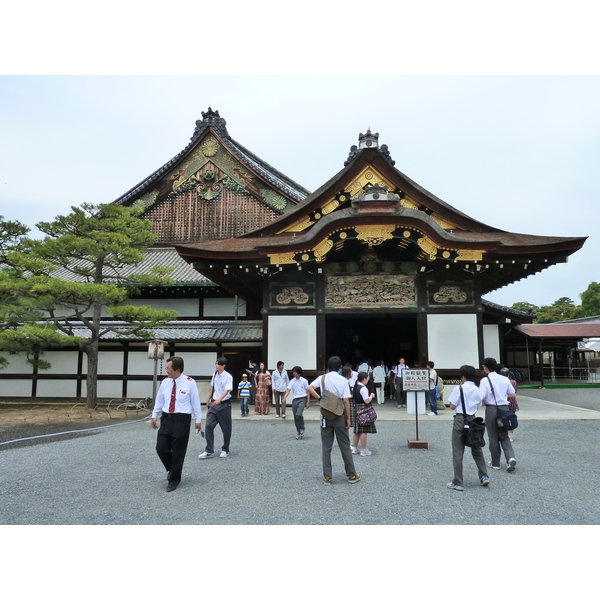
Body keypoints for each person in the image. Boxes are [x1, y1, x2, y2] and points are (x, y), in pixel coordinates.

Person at [307, 356, 361, 485]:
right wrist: (348, 418)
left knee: (326, 447)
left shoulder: (322, 378)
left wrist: (321, 399)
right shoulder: (343, 380)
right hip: (339, 416)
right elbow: (346, 400)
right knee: (345, 446)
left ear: (328, 366)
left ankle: (327, 477)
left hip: (325, 415)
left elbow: (309, 388)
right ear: (340, 367)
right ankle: (351, 475)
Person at [151, 356, 202, 492]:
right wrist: (154, 415)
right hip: (167, 417)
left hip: (182, 419)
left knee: (178, 451)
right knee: (161, 448)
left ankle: (174, 479)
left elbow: (195, 401)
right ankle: (172, 469)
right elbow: (159, 400)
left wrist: (198, 419)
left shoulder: (189, 382)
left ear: (177, 369)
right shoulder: (165, 383)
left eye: (168, 368)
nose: (166, 371)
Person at [446, 364, 489, 491]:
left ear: (463, 377)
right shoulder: (478, 390)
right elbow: (480, 403)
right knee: (477, 448)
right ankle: (484, 475)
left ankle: (458, 481)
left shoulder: (458, 389)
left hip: (460, 419)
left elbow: (452, 406)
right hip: (472, 419)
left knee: (458, 450)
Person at [480, 357, 517, 472]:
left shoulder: (484, 381)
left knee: (493, 437)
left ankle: (495, 463)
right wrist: (502, 396)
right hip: (504, 409)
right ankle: (510, 458)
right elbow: (512, 394)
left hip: (491, 409)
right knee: (504, 436)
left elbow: (482, 397)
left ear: (485, 367)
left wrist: (485, 402)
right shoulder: (504, 379)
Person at [199, 357, 233, 459]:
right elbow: (213, 388)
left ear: (223, 365)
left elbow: (227, 390)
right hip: (213, 405)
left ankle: (225, 449)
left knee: (226, 429)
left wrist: (219, 400)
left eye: (218, 364)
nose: (216, 365)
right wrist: (208, 399)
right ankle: (209, 450)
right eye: (216, 363)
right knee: (208, 425)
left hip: (224, 404)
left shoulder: (228, 376)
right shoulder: (214, 374)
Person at [350, 371, 377, 456]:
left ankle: (354, 448)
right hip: (363, 409)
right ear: (364, 379)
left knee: (357, 430)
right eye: (367, 378)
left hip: (356, 408)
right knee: (363, 430)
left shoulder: (355, 386)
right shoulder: (363, 388)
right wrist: (371, 396)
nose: (368, 380)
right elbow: (366, 400)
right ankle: (364, 450)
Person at [283, 365, 310, 439]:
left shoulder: (304, 381)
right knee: (295, 416)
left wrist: (308, 401)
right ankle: (299, 431)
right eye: (293, 372)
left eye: (295, 372)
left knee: (299, 414)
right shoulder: (292, 381)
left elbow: (308, 391)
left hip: (302, 399)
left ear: (299, 373)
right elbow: (288, 390)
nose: (293, 373)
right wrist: (284, 398)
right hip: (295, 399)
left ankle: (302, 427)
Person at [501, 367, 520, 442]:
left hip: (502, 402)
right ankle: (510, 436)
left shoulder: (499, 382)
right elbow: (514, 391)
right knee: (511, 418)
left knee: (502, 418)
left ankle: (503, 434)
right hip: (512, 402)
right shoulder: (513, 382)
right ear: (508, 374)